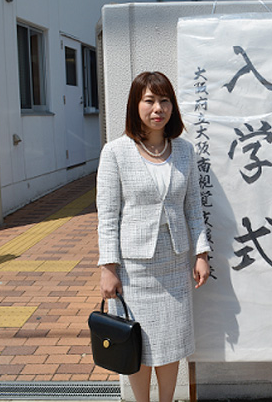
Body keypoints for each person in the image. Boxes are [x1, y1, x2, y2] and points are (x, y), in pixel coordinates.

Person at [97, 71, 211, 402]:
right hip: (134, 270)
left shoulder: (185, 151)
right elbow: (108, 216)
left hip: (175, 264)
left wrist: (201, 254)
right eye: (149, 101)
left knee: (171, 343)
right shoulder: (116, 152)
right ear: (136, 105)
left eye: (164, 101)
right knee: (137, 343)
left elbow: (193, 208)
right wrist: (108, 267)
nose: (158, 108)